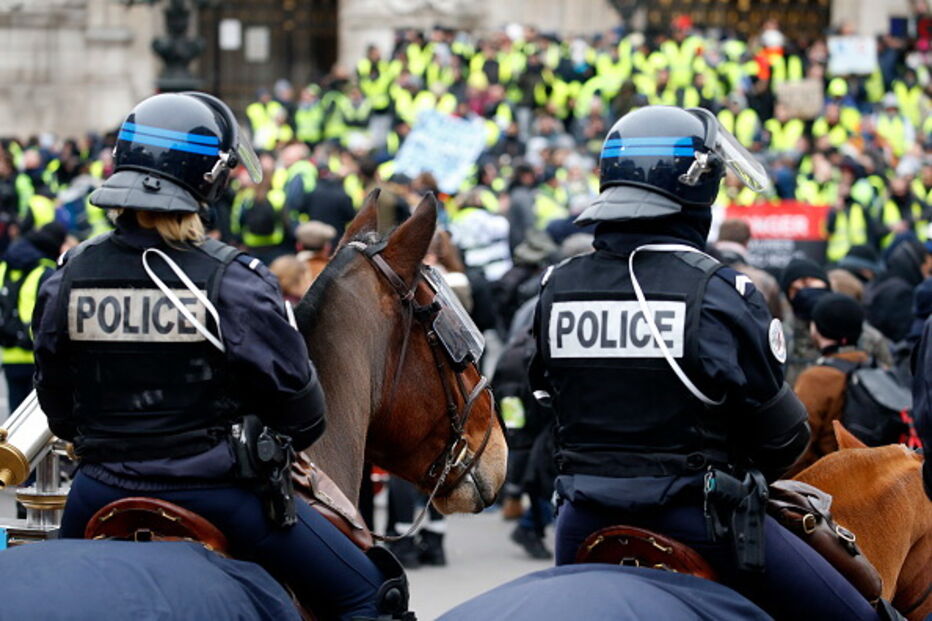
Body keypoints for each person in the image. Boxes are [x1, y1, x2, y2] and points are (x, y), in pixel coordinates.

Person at [31, 93, 411, 621]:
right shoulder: (234, 281)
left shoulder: (66, 276)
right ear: (211, 180)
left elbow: (56, 403)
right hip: (218, 495)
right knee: (370, 595)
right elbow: (304, 416)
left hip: (98, 490)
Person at [530, 105, 883, 619]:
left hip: (581, 522)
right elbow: (783, 438)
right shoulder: (721, 291)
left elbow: (545, 401)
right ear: (698, 190)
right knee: (860, 614)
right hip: (701, 522)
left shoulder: (555, 286)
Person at [789, 293, 867, 474]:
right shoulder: (873, 367)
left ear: (816, 328)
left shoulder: (818, 378)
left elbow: (799, 442)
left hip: (830, 483)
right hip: (870, 478)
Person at [0, 222, 65, 414]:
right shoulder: (45, 272)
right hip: (37, 355)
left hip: (9, 352)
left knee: (13, 422)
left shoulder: (4, 267)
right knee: (36, 418)